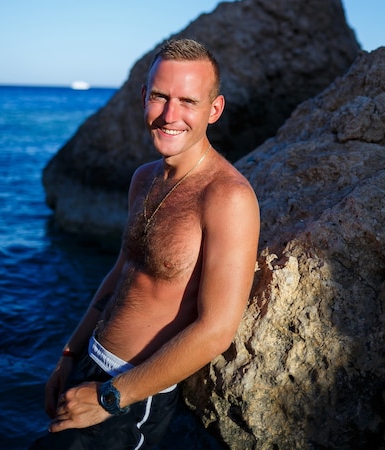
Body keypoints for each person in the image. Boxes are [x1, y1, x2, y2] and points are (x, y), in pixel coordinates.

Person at [30, 38, 260, 449]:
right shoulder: (143, 178)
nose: (170, 115)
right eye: (160, 96)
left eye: (188, 101)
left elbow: (216, 330)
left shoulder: (227, 198)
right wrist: (69, 354)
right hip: (89, 363)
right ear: (143, 97)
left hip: (134, 394)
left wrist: (111, 397)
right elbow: (121, 273)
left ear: (214, 109)